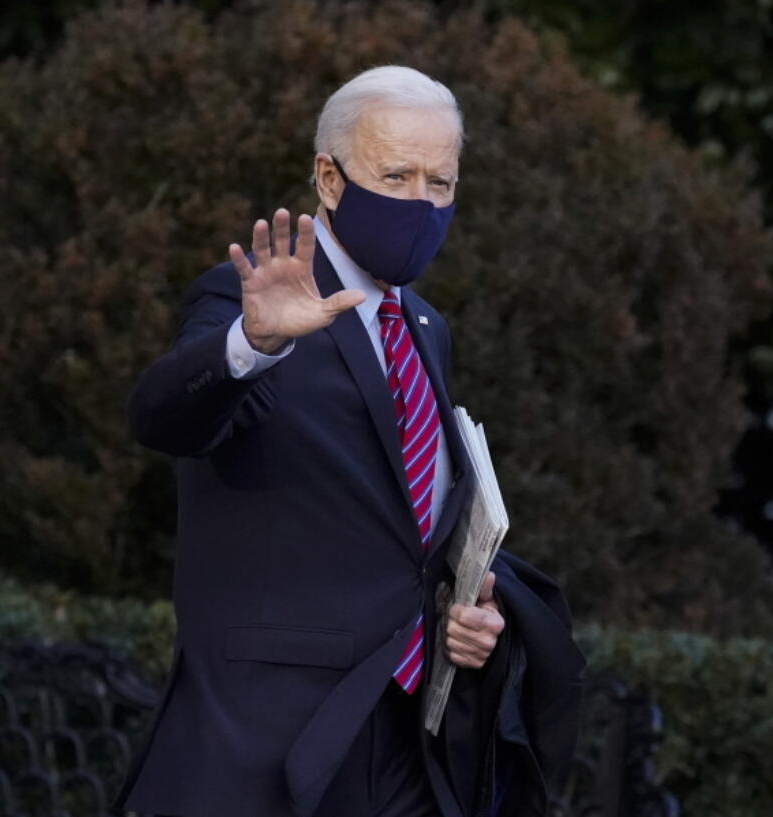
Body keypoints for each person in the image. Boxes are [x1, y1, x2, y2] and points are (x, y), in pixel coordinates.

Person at [114, 66, 584, 817]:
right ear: (329, 180)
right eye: (396, 175)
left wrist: (469, 609)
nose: (422, 203)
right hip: (268, 740)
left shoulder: (428, 327)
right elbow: (163, 418)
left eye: (441, 181)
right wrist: (250, 344)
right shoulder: (248, 301)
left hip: (405, 735)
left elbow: (404, 530)